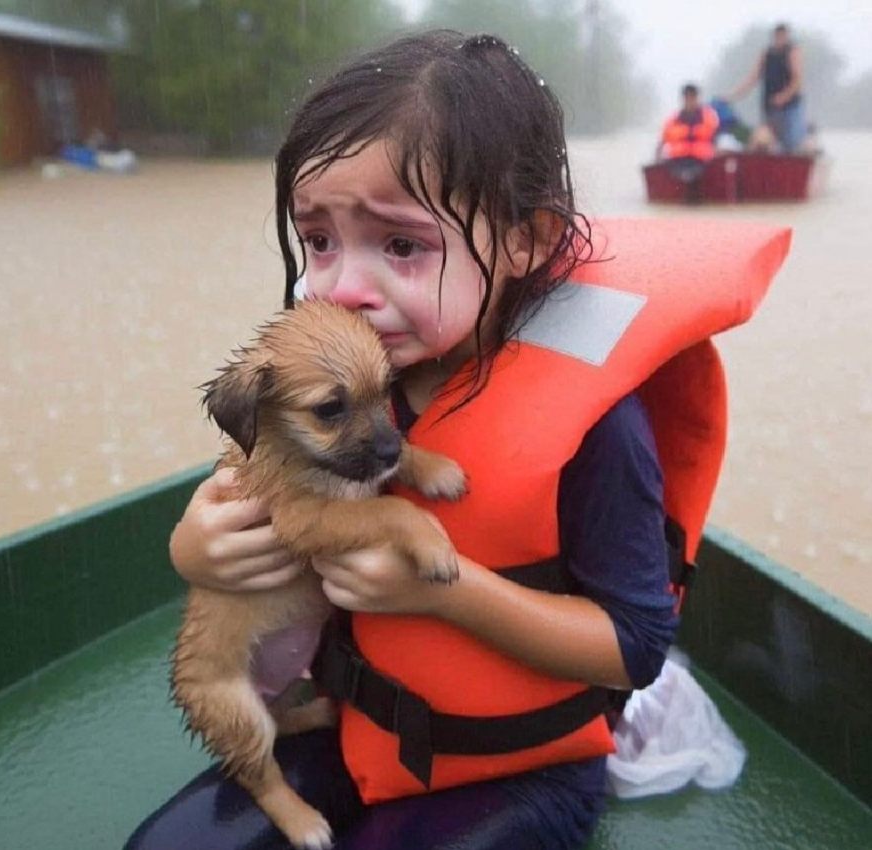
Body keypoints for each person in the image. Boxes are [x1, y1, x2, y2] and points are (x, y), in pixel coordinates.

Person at [124, 29, 784, 850]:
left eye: (400, 244)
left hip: (518, 761)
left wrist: (446, 591)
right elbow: (258, 496)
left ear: (526, 240)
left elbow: (636, 649)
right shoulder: (344, 372)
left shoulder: (600, 427)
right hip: (349, 717)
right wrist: (195, 547)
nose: (344, 287)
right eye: (319, 239)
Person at [726, 22, 807, 153]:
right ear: (774, 36)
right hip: (770, 108)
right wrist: (733, 95)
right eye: (778, 36)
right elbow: (752, 77)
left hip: (790, 108)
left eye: (783, 36)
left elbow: (798, 80)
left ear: (787, 36)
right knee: (765, 143)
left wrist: (783, 97)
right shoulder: (767, 53)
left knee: (791, 144)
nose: (780, 39)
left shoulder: (792, 51)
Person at [656, 83, 719, 164]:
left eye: (692, 96)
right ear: (683, 98)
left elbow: (716, 138)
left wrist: (716, 155)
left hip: (703, 161)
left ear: (697, 98)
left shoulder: (709, 116)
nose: (690, 99)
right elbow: (662, 142)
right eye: (687, 96)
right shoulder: (673, 119)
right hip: (676, 161)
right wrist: (657, 158)